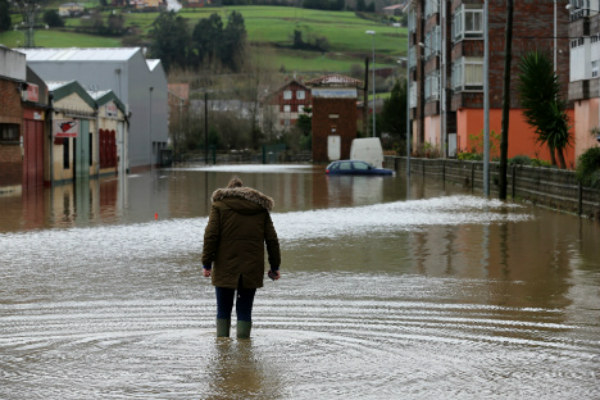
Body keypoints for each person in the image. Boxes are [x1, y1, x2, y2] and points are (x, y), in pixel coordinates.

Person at [202, 176, 281, 339]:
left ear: (227, 191)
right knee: (244, 310)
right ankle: (244, 351)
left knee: (223, 310)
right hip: (251, 267)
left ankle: (222, 348)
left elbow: (211, 236)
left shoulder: (219, 206)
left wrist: (207, 264)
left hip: (225, 266)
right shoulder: (260, 209)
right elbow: (272, 240)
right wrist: (274, 267)